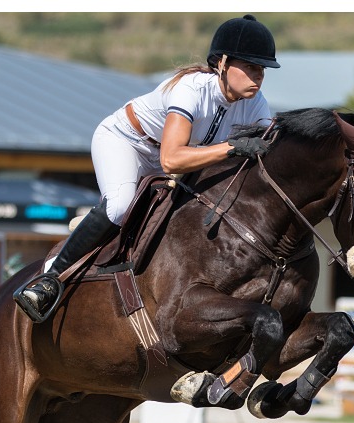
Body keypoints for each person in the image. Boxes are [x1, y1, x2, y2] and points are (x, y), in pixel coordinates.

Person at [14, 14, 279, 322]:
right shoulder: (192, 89)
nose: (258, 76)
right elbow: (171, 160)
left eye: (262, 69)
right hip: (128, 142)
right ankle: (50, 277)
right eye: (250, 66)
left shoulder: (256, 103)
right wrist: (232, 147)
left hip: (177, 159)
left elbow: (267, 149)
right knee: (121, 206)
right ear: (221, 63)